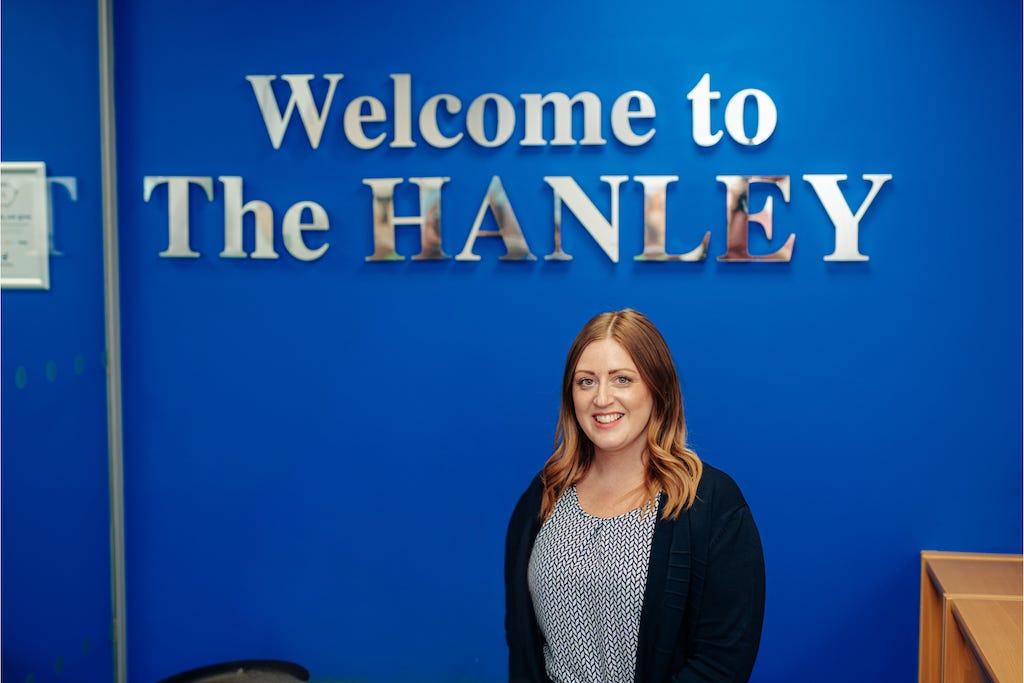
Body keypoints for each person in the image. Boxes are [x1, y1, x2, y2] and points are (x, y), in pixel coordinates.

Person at [505, 309, 765, 683]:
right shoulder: (544, 494)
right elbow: (522, 645)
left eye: (622, 379)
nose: (602, 398)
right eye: (586, 382)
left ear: (658, 388)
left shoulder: (710, 503)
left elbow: (722, 662)